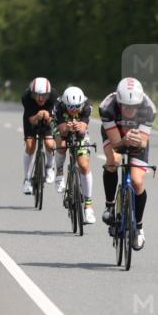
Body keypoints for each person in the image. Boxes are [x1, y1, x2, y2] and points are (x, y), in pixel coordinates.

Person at [99, 77, 156, 250]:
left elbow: (144, 142)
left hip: (137, 139)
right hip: (114, 134)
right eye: (125, 106)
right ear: (118, 101)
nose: (129, 110)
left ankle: (138, 227)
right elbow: (116, 144)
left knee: (138, 181)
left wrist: (136, 140)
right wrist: (124, 140)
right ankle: (109, 205)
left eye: (133, 107)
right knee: (114, 161)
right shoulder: (107, 107)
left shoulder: (148, 108)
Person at [53, 86, 96, 224]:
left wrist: (79, 127)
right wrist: (67, 127)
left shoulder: (87, 106)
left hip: (79, 130)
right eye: (70, 107)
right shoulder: (58, 106)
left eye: (77, 106)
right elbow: (62, 131)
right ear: (65, 104)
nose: (74, 109)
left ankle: (88, 207)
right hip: (62, 128)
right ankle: (59, 172)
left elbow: (83, 130)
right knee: (62, 145)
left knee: (83, 164)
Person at [21, 77, 58, 195]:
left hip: (48, 117)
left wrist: (48, 116)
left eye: (44, 95)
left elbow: (56, 117)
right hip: (32, 117)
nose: (40, 98)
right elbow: (31, 120)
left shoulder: (54, 97)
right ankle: (27, 179)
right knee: (30, 145)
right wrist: (37, 116)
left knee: (49, 143)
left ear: (49, 94)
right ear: (32, 94)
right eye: (37, 95)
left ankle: (49, 167)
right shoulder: (26, 97)